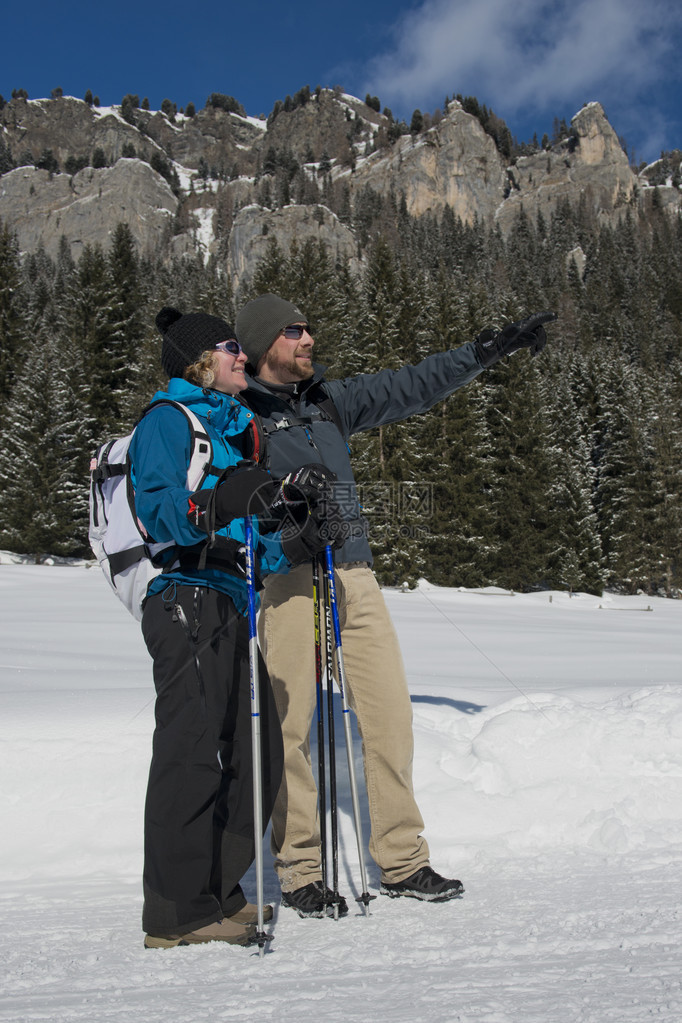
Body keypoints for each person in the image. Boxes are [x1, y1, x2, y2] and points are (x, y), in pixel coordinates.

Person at [235, 292, 556, 917]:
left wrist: (486, 351)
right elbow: (221, 487)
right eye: (294, 331)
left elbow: (413, 385)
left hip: (353, 574)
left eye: (309, 327)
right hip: (287, 581)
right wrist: (278, 510)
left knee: (388, 717)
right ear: (263, 344)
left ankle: (404, 861)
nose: (308, 339)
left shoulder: (330, 401)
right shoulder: (236, 414)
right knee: (288, 725)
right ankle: (299, 869)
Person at [129, 306, 338, 948]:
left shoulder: (238, 430)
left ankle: (218, 892)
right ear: (199, 361)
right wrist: (223, 499)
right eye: (229, 348)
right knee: (192, 751)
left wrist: (296, 540)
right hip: (181, 595)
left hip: (229, 599)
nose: (241, 355)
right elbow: (161, 510)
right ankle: (175, 913)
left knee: (257, 751)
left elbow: (249, 537)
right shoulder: (168, 422)